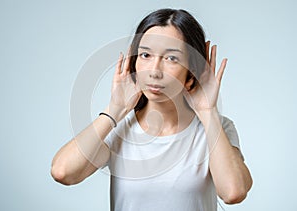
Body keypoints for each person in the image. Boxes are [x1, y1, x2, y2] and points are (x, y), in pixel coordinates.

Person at [51, 8, 252, 211]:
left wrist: (208, 113)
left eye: (171, 58)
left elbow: (233, 192)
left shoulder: (217, 129)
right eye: (145, 55)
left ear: (192, 70)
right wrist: (114, 110)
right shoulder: (119, 130)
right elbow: (63, 172)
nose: (155, 71)